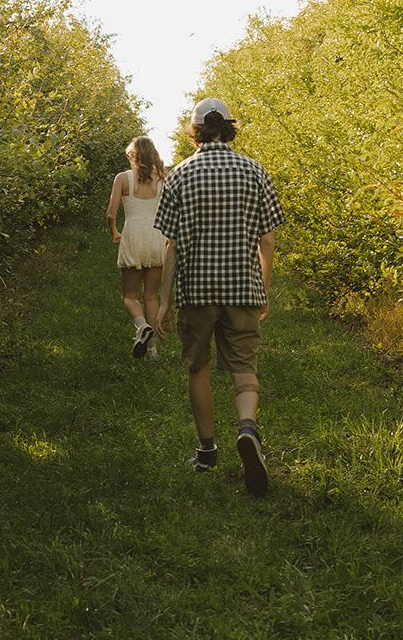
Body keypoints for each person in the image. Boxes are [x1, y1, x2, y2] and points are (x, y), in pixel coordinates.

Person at [154, 96, 285, 495]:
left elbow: (171, 245)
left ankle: (208, 450)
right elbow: (267, 239)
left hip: (196, 290)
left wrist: (162, 301)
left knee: (199, 368)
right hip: (243, 287)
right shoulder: (254, 171)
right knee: (244, 367)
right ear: (229, 128)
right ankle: (247, 429)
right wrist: (263, 288)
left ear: (195, 131)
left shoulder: (179, 174)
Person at [105, 136, 167, 359]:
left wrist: (114, 232)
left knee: (130, 296)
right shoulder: (163, 179)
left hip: (133, 235)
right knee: (151, 296)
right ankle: (152, 351)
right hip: (157, 236)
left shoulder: (123, 178)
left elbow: (111, 214)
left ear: (133, 155)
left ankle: (141, 326)